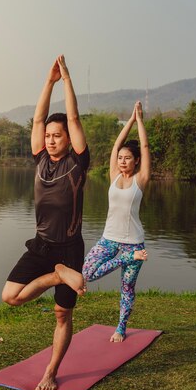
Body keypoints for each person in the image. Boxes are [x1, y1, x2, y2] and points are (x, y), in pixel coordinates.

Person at [2, 55, 90, 390]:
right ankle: (57, 274)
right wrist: (48, 81)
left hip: (69, 247)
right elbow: (38, 117)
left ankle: (51, 371)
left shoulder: (78, 163)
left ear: (69, 138)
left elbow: (73, 116)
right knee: (10, 296)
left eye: (58, 135)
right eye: (49, 135)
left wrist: (66, 79)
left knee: (62, 314)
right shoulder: (40, 159)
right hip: (41, 246)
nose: (52, 139)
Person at [56, 101, 151, 342]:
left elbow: (145, 146)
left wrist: (139, 121)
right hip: (109, 240)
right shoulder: (114, 176)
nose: (122, 161)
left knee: (127, 288)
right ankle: (126, 259)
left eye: (127, 158)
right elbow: (116, 145)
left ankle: (121, 327)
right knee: (86, 273)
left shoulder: (140, 180)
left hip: (134, 243)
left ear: (136, 161)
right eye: (120, 158)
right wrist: (129, 119)